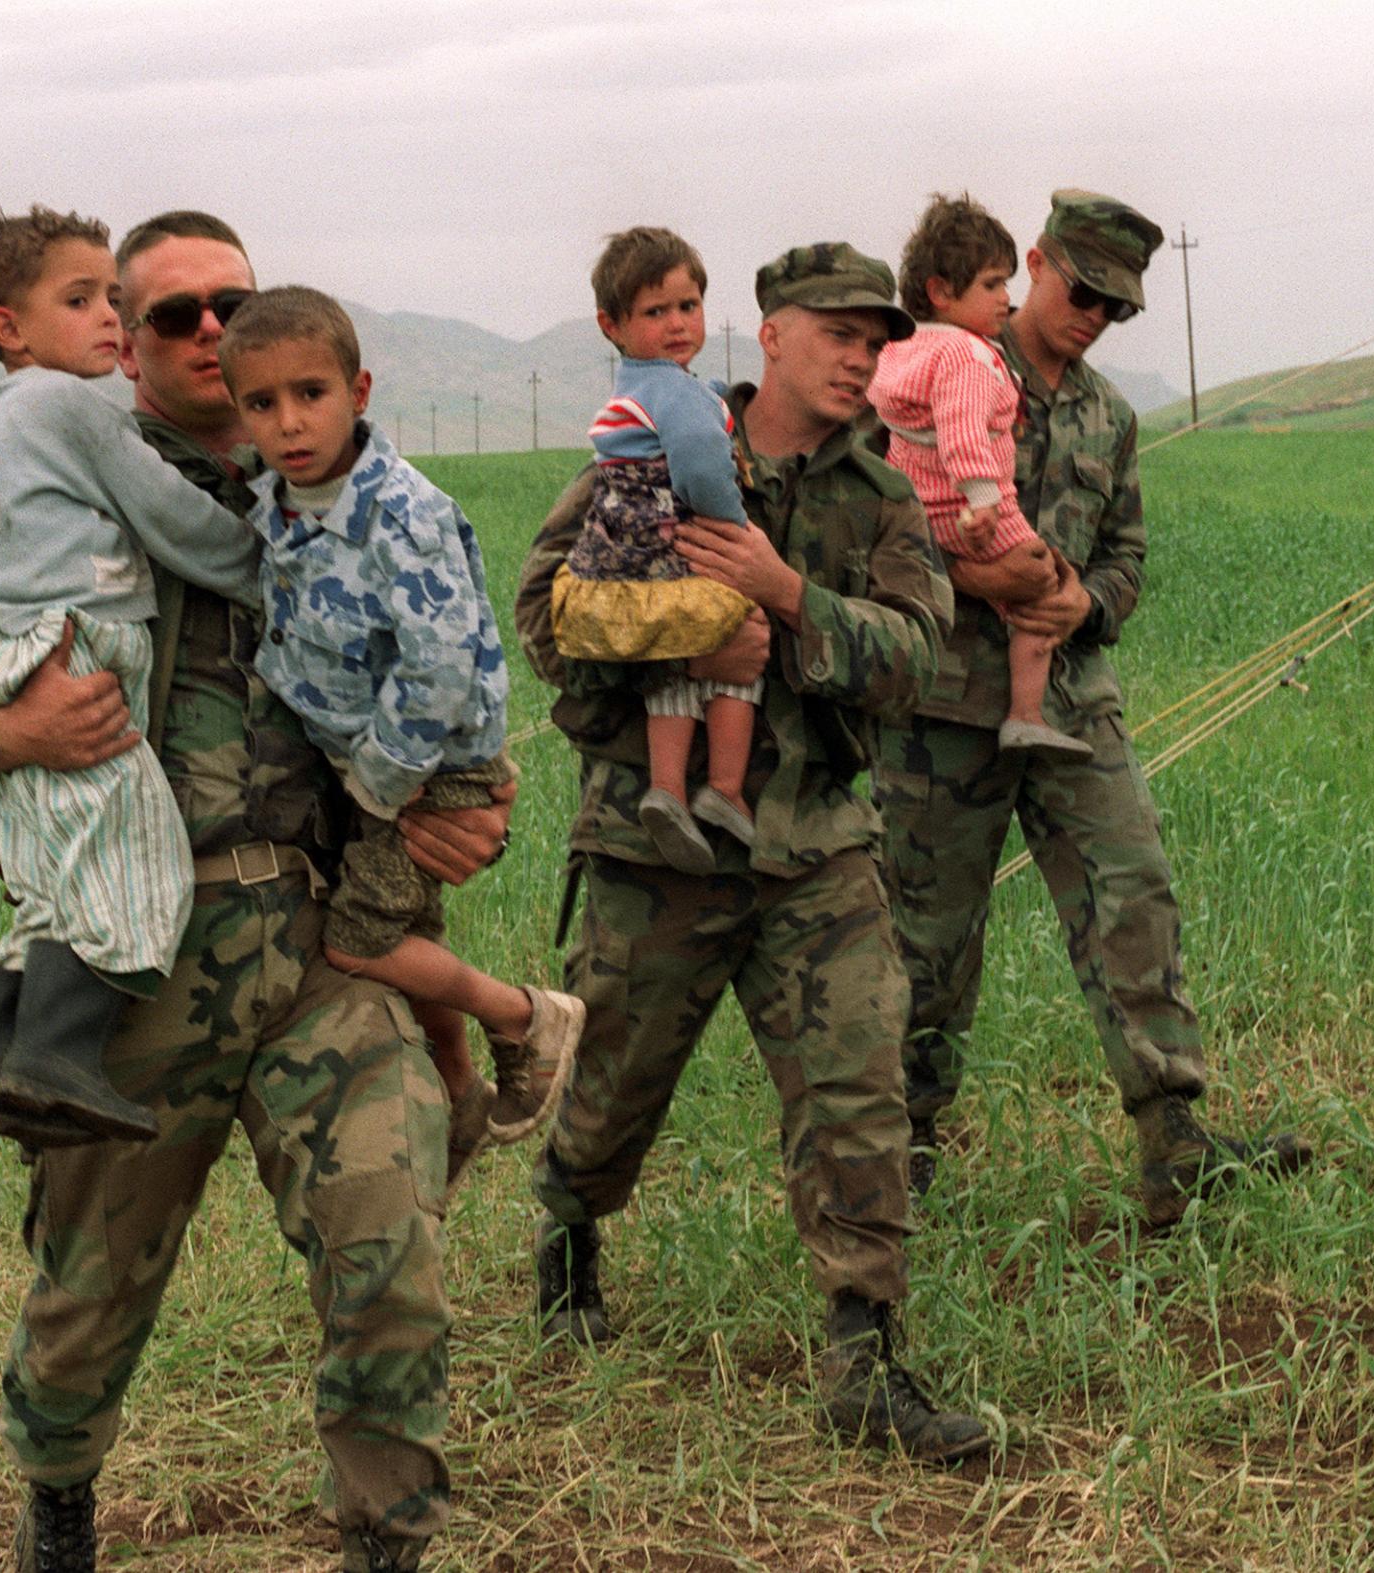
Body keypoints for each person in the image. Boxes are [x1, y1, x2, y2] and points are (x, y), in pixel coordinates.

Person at [0, 208, 484, 1573]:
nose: (213, 332)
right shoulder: (63, 471)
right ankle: (59, 1498)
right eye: (173, 315)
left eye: (237, 304)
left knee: (391, 1254)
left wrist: (468, 804)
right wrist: (14, 733)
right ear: (129, 344)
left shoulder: (341, 489)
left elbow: (441, 662)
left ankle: (390, 1539)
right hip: (140, 951)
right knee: (89, 1290)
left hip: (325, 941)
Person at [514, 242, 990, 1464]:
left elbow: (916, 661)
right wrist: (678, 636)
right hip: (657, 844)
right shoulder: (652, 451)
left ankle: (864, 1352)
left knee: (859, 1090)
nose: (858, 355)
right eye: (833, 330)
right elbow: (545, 620)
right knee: (611, 1085)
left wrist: (786, 597)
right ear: (766, 335)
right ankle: (567, 1240)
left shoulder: (882, 500)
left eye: (875, 338)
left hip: (817, 846)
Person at [872, 189, 1313, 1220]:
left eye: (1116, 308)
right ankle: (901, 1150)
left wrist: (1085, 599)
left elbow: (1127, 559)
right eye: (1083, 292)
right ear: (1034, 262)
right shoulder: (950, 362)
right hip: (944, 707)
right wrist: (963, 575)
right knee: (931, 935)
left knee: (1135, 896)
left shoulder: (1109, 416)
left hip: (1073, 702)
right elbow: (876, 508)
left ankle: (1177, 1143)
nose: (1095, 316)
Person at [221, 285, 583, 1188]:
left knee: (360, 941)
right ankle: (460, 1094)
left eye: (311, 393)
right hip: (376, 764)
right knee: (410, 926)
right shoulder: (281, 505)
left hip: (424, 768)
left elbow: (439, 662)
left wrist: (381, 781)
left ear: (360, 389)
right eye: (262, 404)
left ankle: (529, 1018)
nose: (290, 421)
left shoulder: (399, 514)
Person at [0, 204, 263, 1145]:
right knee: (136, 872)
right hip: (80, 657)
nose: (109, 317)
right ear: (10, 328)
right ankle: (55, 1059)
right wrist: (263, 562)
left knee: (54, 888)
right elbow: (171, 519)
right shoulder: (76, 408)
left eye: (113, 297)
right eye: (85, 300)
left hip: (4, 655)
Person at [549, 228, 763, 873]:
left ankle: (667, 787)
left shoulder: (640, 386)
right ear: (611, 324)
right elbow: (699, 462)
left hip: (623, 557)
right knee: (740, 631)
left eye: (688, 307)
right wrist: (733, 525)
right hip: (677, 541)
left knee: (668, 660)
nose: (677, 324)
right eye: (655, 312)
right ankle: (725, 787)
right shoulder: (675, 391)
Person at [869, 194, 1082, 761]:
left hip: (918, 512)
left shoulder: (899, 350)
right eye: (991, 285)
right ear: (941, 291)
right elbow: (962, 431)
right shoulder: (967, 355)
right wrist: (983, 498)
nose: (1006, 299)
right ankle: (1027, 714)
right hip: (972, 510)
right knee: (1038, 578)